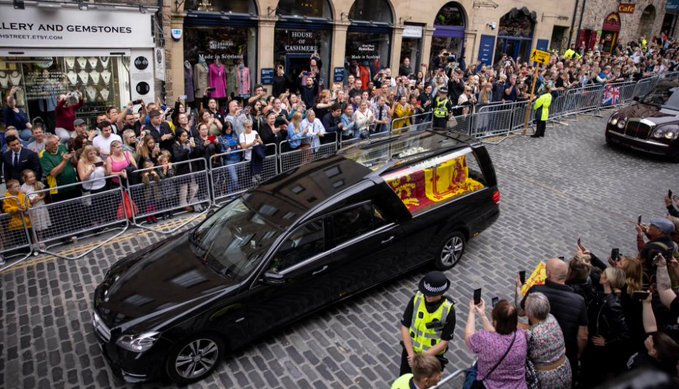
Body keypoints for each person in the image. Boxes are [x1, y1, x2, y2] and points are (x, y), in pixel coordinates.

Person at [521, 258, 588, 383]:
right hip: (566, 358)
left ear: (548, 274)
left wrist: (519, 289)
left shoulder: (536, 291)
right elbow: (583, 336)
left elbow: (521, 311)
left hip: (538, 358)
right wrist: (578, 354)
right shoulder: (579, 301)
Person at [580, 267, 631, 386]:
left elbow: (625, 333)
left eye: (604, 273)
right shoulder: (601, 294)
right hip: (590, 342)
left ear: (607, 280)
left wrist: (607, 341)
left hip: (598, 350)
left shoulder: (613, 304)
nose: (601, 275)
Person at [399, 271, 456, 375]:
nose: (427, 296)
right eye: (426, 292)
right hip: (410, 352)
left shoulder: (448, 310)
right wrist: (411, 355)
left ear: (441, 293)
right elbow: (405, 326)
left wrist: (420, 359)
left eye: (432, 294)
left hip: (431, 358)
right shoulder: (416, 299)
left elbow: (444, 342)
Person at [465, 299, 527, 389]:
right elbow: (495, 334)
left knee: (471, 375)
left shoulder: (485, 339)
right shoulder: (521, 335)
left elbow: (468, 337)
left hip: (490, 385)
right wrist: (482, 315)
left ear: (495, 321)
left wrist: (472, 312)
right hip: (518, 386)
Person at [524, 292, 572, 389]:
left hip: (547, 379)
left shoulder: (533, 335)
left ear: (530, 313)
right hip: (564, 370)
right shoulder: (551, 318)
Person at [39, 134, 79, 203]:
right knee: (63, 212)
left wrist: (73, 156)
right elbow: (53, 173)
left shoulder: (62, 147)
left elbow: (73, 163)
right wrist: (64, 161)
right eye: (53, 145)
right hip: (59, 190)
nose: (56, 146)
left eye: (57, 143)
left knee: (77, 210)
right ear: (47, 146)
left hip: (73, 185)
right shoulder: (43, 155)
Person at [21, 169, 50, 249]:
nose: (33, 178)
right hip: (32, 208)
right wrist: (30, 201)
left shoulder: (39, 184)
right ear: (25, 178)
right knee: (34, 225)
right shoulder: (23, 188)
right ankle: (34, 242)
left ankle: (41, 240)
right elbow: (23, 199)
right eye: (30, 177)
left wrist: (40, 198)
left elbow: (44, 193)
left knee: (41, 224)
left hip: (40, 205)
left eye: (33, 176)